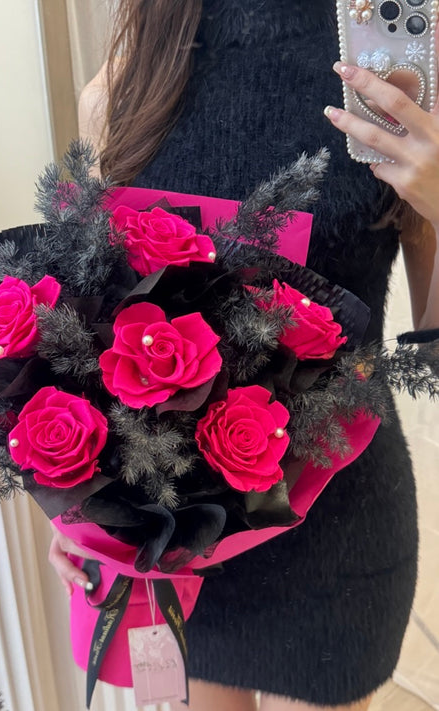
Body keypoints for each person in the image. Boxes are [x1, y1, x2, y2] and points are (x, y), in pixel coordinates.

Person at [49, 1, 439, 709]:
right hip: (177, 532)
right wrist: (76, 506)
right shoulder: (124, 86)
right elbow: (100, 325)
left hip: (339, 531)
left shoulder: (393, 75)